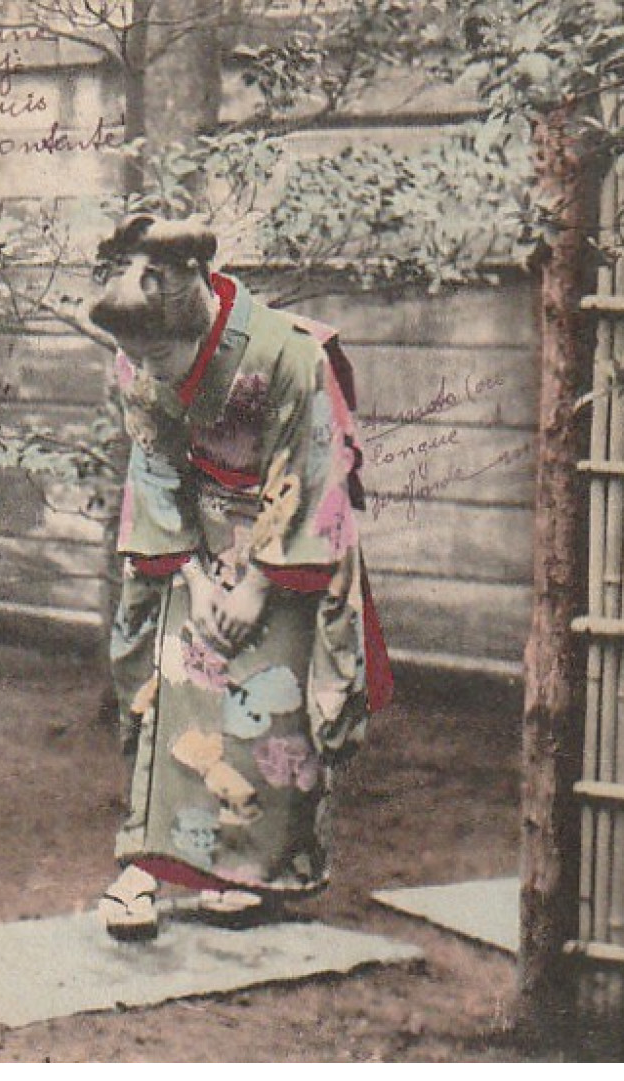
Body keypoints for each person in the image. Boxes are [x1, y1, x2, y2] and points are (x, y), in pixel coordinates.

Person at [87, 214, 392, 938]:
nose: (145, 365)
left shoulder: (288, 354)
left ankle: (256, 871)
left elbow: (314, 470)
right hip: (192, 539)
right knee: (175, 687)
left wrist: (256, 580)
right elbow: (155, 469)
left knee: (272, 697)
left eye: (157, 349)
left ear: (193, 314)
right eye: (133, 352)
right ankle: (152, 862)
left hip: (285, 544)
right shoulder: (138, 360)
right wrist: (194, 577)